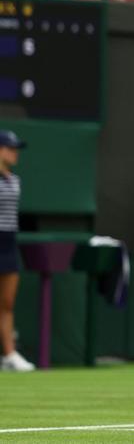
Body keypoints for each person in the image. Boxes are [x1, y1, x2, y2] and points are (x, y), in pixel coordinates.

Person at [0, 130, 33, 372]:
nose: (15, 153)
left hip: (9, 243)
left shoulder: (16, 180)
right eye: (10, 148)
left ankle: (9, 355)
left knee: (7, 302)